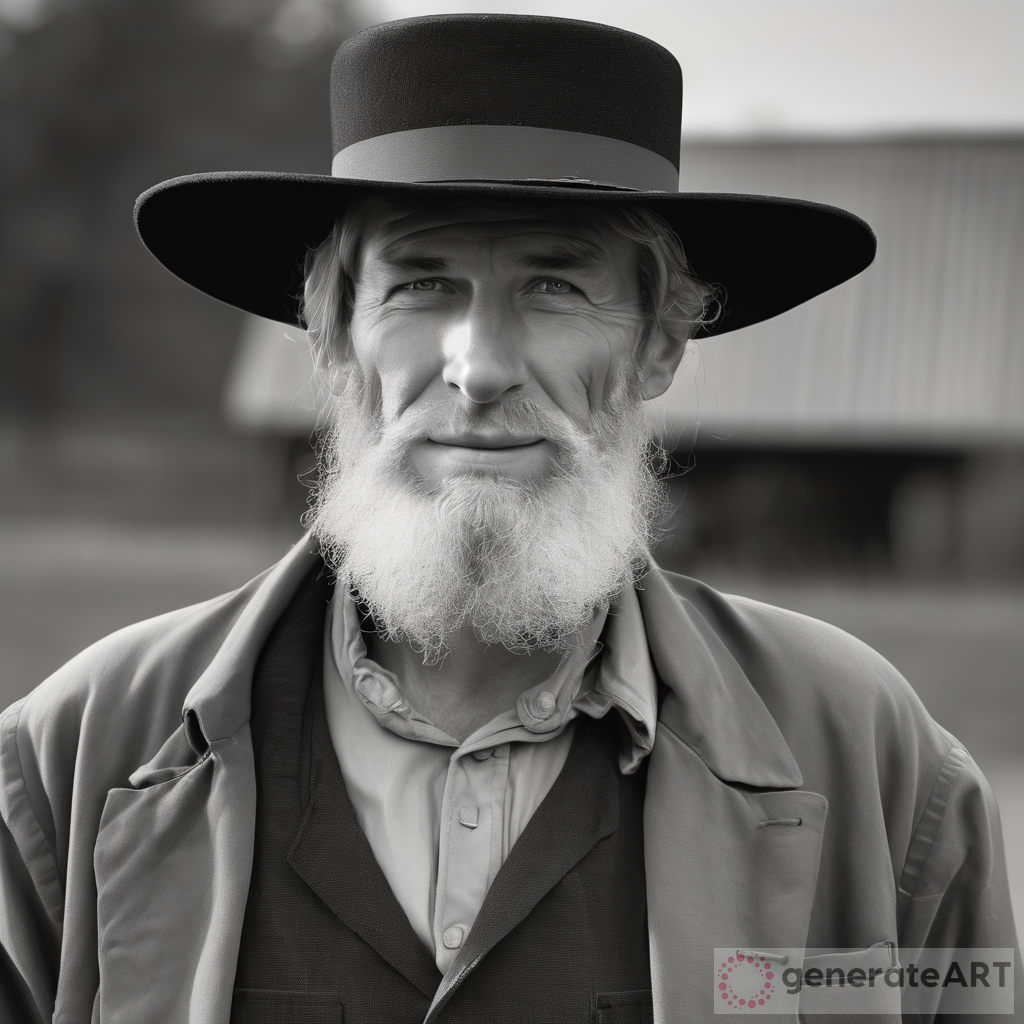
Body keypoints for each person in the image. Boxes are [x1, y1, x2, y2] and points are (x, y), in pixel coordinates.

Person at [1, 14, 1019, 1024]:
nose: (479, 367)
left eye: (554, 283)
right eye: (421, 282)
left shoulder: (874, 762)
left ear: (657, 345)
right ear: (335, 344)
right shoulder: (72, 756)